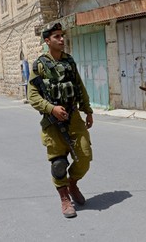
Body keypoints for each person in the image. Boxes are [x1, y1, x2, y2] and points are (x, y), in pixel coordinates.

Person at [28, 23, 94, 218]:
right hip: (52, 122)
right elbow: (32, 96)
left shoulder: (69, 62)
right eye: (56, 36)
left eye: (62, 35)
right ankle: (65, 199)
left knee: (84, 157)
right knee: (58, 164)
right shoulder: (39, 65)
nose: (62, 39)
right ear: (47, 41)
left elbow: (79, 87)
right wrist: (52, 109)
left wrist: (88, 110)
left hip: (74, 117)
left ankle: (72, 184)